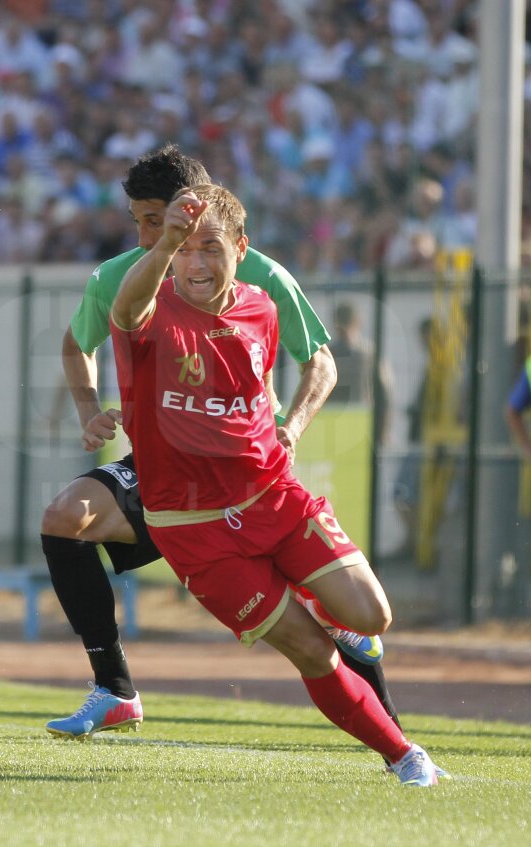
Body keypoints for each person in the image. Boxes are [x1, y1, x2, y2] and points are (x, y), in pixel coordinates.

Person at [41, 146, 402, 741]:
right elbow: (76, 344)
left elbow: (322, 363)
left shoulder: (257, 271)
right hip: (164, 471)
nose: (151, 233)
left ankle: (395, 736)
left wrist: (294, 426)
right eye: (140, 219)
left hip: (249, 472)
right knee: (64, 519)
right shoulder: (118, 277)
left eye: (158, 218)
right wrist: (88, 411)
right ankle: (114, 689)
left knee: (346, 617)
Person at [108, 182, 442, 786]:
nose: (196, 263)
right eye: (185, 250)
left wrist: (286, 426)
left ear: (242, 246)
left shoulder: (262, 306)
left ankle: (318, 600)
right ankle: (404, 756)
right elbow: (125, 314)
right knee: (311, 651)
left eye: (210, 248)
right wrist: (164, 246)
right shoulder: (151, 308)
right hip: (193, 530)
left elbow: (292, 373)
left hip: (273, 497)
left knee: (373, 618)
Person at [326, 301, 393, 444]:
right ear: (358, 321)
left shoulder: (328, 353)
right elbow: (385, 394)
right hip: (361, 423)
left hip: (335, 423)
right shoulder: (370, 353)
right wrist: (384, 432)